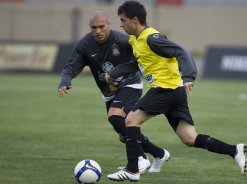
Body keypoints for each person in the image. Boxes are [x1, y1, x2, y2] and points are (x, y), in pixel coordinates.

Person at [106, 1, 247, 182]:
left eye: (123, 20)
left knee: (131, 120)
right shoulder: (136, 40)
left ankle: (132, 169)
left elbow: (181, 51)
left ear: (135, 20)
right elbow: (137, 64)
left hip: (165, 89)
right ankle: (234, 150)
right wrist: (114, 72)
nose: (121, 24)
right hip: (173, 92)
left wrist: (189, 76)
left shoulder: (152, 37)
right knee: (189, 137)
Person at [58, 11, 170, 174]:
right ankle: (159, 154)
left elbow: (143, 54)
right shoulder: (85, 45)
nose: (98, 31)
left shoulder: (122, 40)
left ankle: (141, 159)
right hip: (108, 92)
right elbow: (71, 65)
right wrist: (65, 80)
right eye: (94, 28)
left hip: (130, 84)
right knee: (123, 134)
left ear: (108, 25)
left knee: (115, 116)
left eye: (101, 27)